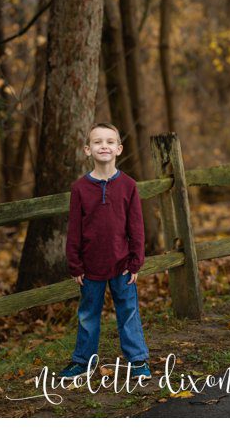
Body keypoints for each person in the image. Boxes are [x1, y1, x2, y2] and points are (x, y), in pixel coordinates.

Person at [59, 122, 151, 381]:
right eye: (98, 142)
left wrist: (135, 262)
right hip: (89, 268)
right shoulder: (79, 188)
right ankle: (83, 361)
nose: (104, 146)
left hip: (122, 264)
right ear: (88, 149)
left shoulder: (129, 185)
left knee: (128, 312)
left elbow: (136, 227)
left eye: (110, 141)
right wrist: (75, 264)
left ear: (119, 148)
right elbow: (74, 229)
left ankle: (138, 360)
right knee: (88, 315)